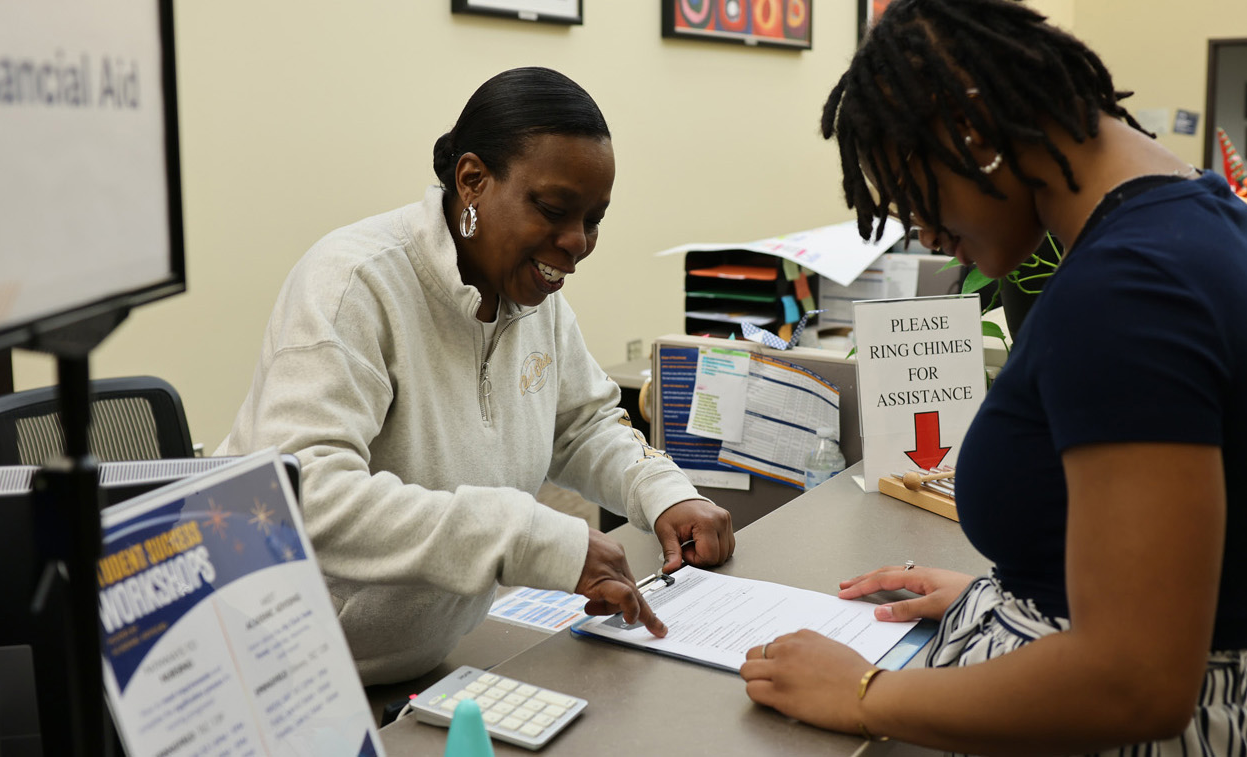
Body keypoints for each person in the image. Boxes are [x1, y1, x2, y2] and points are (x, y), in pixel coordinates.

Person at [739, 1, 1247, 754]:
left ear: (971, 134)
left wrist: (861, 693)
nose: (927, 233)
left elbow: (1135, 681)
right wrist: (1007, 597)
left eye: (912, 193)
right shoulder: (1197, 216)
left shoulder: (1126, 291)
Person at [216, 67, 735, 686]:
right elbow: (302, 498)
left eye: (594, 218)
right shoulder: (355, 285)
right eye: (552, 209)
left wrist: (665, 493)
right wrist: (529, 537)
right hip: (276, 672)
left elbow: (579, 424)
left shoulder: (531, 297)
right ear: (472, 181)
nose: (576, 243)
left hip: (415, 665)